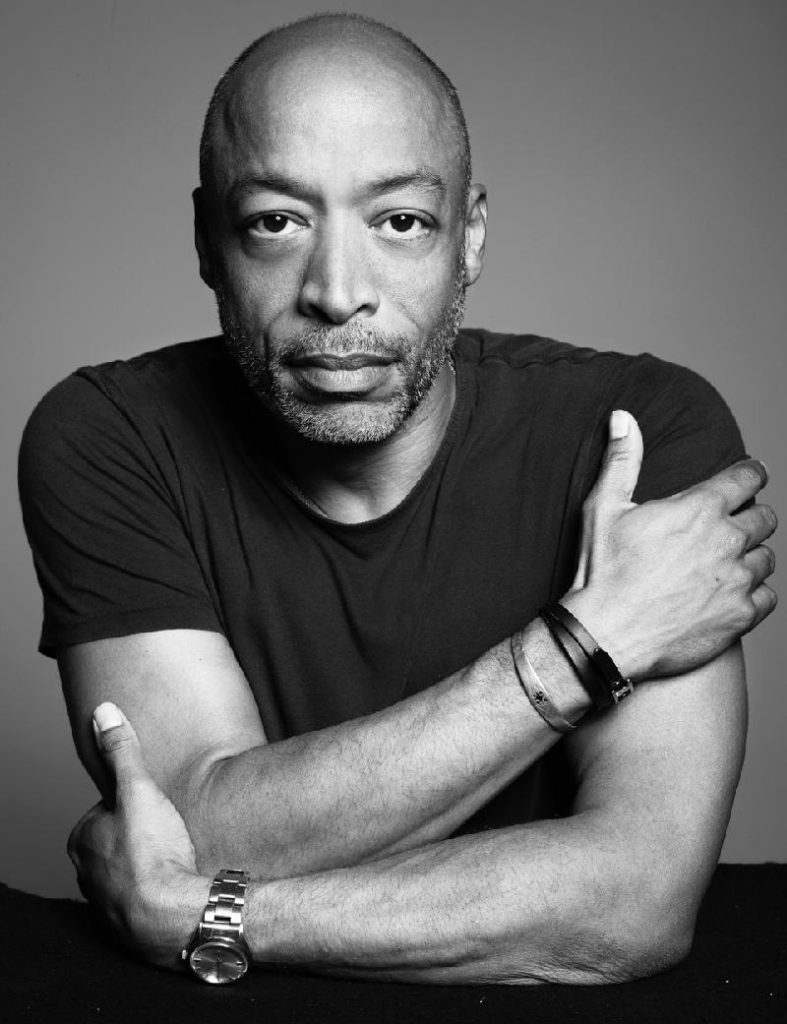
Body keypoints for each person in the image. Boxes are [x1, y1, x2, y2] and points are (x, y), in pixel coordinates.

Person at [18, 13, 777, 985]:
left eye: (400, 221)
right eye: (276, 221)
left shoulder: (639, 429)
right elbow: (196, 825)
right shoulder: (112, 436)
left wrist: (215, 915)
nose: (338, 292)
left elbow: (632, 905)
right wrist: (587, 645)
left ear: (470, 237)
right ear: (208, 240)